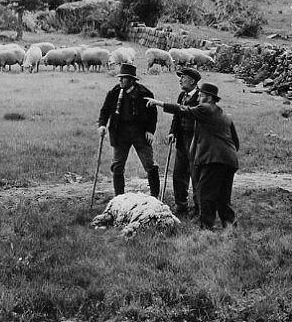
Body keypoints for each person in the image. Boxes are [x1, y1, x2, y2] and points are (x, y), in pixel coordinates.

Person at [146, 82, 239, 230]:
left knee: (205, 194)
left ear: (209, 98)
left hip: (213, 160)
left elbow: (183, 110)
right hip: (230, 161)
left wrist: (160, 103)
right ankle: (230, 226)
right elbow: (236, 142)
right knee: (223, 196)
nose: (199, 98)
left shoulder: (205, 108)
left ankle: (206, 228)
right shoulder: (225, 115)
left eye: (201, 95)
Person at [98, 63, 159, 197]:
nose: (120, 80)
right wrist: (102, 125)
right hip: (120, 132)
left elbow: (153, 115)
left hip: (140, 133)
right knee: (117, 166)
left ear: (131, 80)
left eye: (123, 78)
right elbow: (105, 110)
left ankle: (155, 197)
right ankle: (119, 198)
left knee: (150, 165)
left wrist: (150, 131)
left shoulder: (145, 93)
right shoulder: (115, 92)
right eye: (120, 77)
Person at [168, 67, 202, 218]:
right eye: (180, 77)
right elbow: (176, 116)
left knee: (196, 175)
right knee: (179, 174)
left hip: (196, 142)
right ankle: (181, 206)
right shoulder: (182, 95)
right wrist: (172, 132)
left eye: (183, 77)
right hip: (182, 141)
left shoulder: (201, 98)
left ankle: (199, 208)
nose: (180, 80)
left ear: (193, 81)